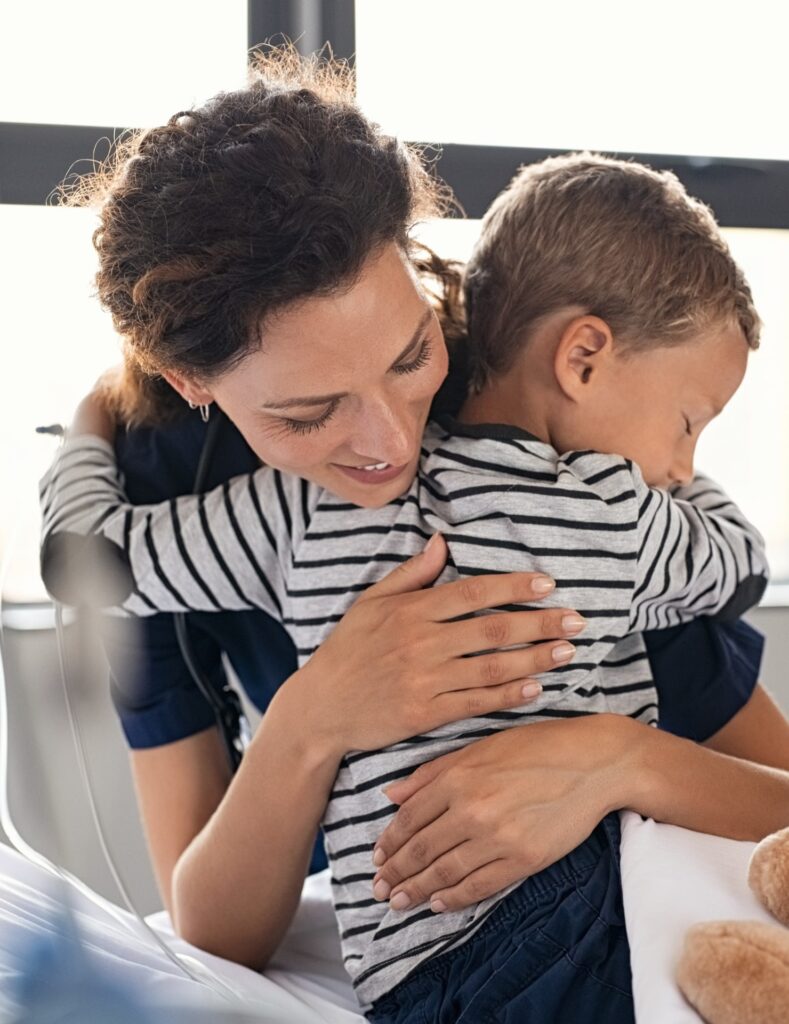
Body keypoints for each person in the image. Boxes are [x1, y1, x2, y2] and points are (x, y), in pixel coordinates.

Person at [40, 48, 789, 1020]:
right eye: (310, 414)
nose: (389, 442)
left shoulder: (537, 432)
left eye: (409, 356)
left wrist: (612, 758)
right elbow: (212, 922)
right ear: (191, 382)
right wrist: (321, 712)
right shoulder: (169, 488)